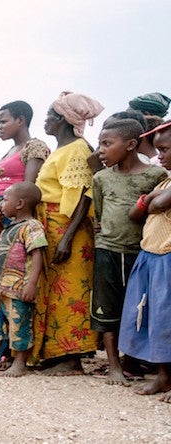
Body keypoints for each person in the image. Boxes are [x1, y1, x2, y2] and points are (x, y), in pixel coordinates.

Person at [91, 118, 167, 386]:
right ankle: (114, 366)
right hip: (108, 249)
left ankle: (133, 361)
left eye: (107, 143)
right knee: (107, 308)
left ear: (132, 145)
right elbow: (99, 215)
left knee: (139, 307)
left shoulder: (155, 176)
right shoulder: (100, 178)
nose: (100, 150)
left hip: (143, 251)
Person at [33, 91, 103, 375]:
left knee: (70, 292)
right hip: (52, 224)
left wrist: (67, 237)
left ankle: (71, 357)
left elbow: (83, 196)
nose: (46, 119)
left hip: (66, 226)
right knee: (53, 291)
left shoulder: (76, 149)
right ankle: (54, 353)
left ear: (63, 119)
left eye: (50, 114)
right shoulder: (61, 150)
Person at [0, 182, 47, 377]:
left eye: (5, 200)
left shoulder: (32, 226)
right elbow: (2, 249)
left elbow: (37, 253)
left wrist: (31, 284)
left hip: (18, 286)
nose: (2, 205)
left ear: (20, 203)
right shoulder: (11, 226)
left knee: (19, 323)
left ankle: (20, 362)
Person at [119, 121, 171, 400]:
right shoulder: (165, 181)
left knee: (169, 319)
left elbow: (158, 205)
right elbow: (134, 214)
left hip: (168, 258)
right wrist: (152, 198)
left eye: (164, 149)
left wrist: (150, 199)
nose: (159, 155)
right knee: (155, 320)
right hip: (152, 257)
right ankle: (163, 377)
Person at [0, 101, 50, 236]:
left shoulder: (35, 147)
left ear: (20, 120)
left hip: (13, 213)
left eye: (3, 122)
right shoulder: (10, 151)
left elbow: (27, 189)